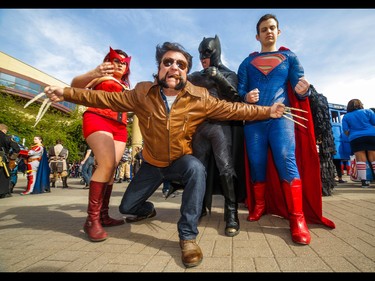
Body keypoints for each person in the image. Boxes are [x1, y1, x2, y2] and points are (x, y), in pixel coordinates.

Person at [43, 41, 285, 268]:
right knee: (128, 207)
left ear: (186, 72)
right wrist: (65, 92)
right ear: (159, 68)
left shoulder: (199, 97)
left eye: (181, 65)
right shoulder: (141, 94)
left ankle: (188, 237)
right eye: (168, 62)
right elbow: (104, 97)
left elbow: (233, 109)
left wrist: (268, 111)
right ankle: (147, 209)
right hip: (152, 164)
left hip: (180, 161)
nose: (174, 68)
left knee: (196, 168)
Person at [237, 14, 335, 245]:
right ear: (257, 35)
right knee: (257, 162)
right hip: (255, 120)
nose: (268, 32)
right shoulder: (246, 63)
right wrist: (246, 96)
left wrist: (303, 91)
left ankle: (297, 218)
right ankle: (260, 205)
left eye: (272, 28)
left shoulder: (289, 57)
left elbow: (300, 88)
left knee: (285, 158)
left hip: (283, 116)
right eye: (264, 29)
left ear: (278, 32)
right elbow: (240, 90)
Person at [69, 47, 132, 241]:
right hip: (98, 118)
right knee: (105, 163)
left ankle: (103, 215)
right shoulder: (101, 78)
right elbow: (74, 85)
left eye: (124, 62)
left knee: (112, 168)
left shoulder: (125, 86)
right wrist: (94, 72)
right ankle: (91, 220)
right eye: (116, 60)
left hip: (120, 126)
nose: (121, 64)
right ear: (108, 61)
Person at [188, 35, 245, 237]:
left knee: (226, 167)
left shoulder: (229, 74)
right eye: (201, 53)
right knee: (198, 169)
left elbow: (235, 98)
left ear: (216, 52)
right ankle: (198, 207)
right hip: (200, 128)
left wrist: (218, 78)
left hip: (221, 126)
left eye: (207, 52)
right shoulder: (195, 76)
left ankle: (231, 214)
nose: (203, 57)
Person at [342, 99, 375, 188]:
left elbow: (345, 130)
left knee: (360, 160)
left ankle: (364, 182)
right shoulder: (368, 111)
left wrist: (352, 135)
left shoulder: (346, 116)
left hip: (356, 138)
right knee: (373, 158)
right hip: (371, 136)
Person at [0, 124, 20, 198]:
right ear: (4, 130)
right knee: (4, 175)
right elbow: (17, 149)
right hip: (2, 158)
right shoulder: (7, 137)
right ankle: (3, 192)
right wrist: (12, 158)